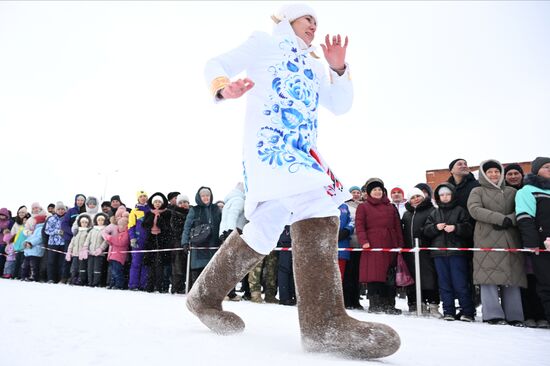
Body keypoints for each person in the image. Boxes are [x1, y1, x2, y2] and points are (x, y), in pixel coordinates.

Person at [186, 4, 399, 359]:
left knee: (263, 231)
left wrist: (338, 68)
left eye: (317, 21)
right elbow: (215, 64)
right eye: (307, 19)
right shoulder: (263, 43)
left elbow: (340, 104)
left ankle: (204, 297)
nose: (314, 26)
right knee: (320, 206)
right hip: (270, 149)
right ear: (287, 21)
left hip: (303, 153)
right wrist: (225, 88)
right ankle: (323, 325)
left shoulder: (315, 64)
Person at [468, 159, 526, 326]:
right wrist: (500, 219)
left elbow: (521, 209)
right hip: (487, 238)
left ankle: (515, 316)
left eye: (496, 171)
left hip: (510, 238)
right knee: (489, 276)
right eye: (490, 172)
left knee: (512, 277)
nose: (494, 174)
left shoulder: (511, 191)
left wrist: (511, 220)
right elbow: (474, 209)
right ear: (484, 174)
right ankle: (492, 315)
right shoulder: (477, 191)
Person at [424, 183, 475, 322]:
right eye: (442, 195)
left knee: (461, 283)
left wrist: (456, 228)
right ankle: (449, 311)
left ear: (452, 195)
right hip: (439, 254)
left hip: (457, 253)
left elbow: (468, 228)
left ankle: (467, 312)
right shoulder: (434, 212)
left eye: (447, 194)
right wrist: (435, 227)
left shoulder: (460, 210)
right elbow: (426, 231)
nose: (445, 197)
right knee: (444, 283)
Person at [356, 178, 403, 315]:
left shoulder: (390, 207)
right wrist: (364, 241)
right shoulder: (363, 207)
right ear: (369, 193)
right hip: (372, 244)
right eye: (374, 190)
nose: (377, 192)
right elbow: (360, 225)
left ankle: (389, 304)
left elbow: (397, 226)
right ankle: (375, 304)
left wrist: (400, 244)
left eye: (379, 190)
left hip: (390, 243)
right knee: (374, 274)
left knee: (389, 276)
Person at [516, 157, 550, 325]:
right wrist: (532, 243)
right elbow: (524, 217)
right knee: (546, 283)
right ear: (536, 170)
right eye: (546, 167)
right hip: (543, 246)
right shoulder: (527, 190)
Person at [401, 187, 440, 317]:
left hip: (425, 249)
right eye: (413, 197)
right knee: (413, 278)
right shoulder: (407, 214)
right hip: (410, 251)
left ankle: (433, 304)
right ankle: (418, 303)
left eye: (418, 196)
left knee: (429, 277)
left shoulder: (431, 210)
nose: (416, 199)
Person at [182, 187, 221, 290]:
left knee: (212, 271)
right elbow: (187, 227)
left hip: (213, 245)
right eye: (203, 196)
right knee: (198, 272)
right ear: (199, 197)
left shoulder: (216, 209)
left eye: (207, 195)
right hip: (198, 245)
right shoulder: (194, 210)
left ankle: (210, 294)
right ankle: (196, 293)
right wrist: (185, 242)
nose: (205, 198)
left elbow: (222, 225)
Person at [142, 193, 173, 293]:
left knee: (161, 265)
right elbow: (145, 225)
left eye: (159, 202)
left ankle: (159, 286)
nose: (157, 203)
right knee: (151, 265)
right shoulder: (148, 213)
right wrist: (151, 219)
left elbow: (167, 227)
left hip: (162, 240)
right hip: (151, 240)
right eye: (155, 202)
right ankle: (150, 286)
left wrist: (160, 221)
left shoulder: (167, 213)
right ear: (152, 203)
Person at [343, 186, 363, 309]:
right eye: (353, 192)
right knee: (348, 273)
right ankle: (347, 299)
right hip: (348, 243)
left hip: (360, 244)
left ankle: (356, 300)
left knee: (357, 274)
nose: (355, 194)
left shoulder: (363, 205)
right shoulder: (345, 206)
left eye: (358, 192)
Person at [128, 191, 150, 291]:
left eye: (144, 196)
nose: (143, 198)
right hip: (138, 239)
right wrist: (132, 237)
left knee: (146, 262)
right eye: (141, 196)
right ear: (138, 199)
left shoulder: (150, 209)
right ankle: (133, 284)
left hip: (148, 239)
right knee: (136, 262)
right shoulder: (134, 211)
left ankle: (144, 285)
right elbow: (131, 226)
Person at [169, 194, 190, 294]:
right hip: (178, 242)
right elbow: (175, 228)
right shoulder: (174, 213)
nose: (183, 205)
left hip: (190, 242)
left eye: (185, 202)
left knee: (189, 266)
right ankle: (177, 287)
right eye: (181, 203)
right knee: (178, 267)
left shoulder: (192, 213)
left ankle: (189, 286)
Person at [65, 214, 92, 285]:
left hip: (82, 254)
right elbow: (72, 242)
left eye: (86, 222)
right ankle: (73, 278)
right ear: (80, 223)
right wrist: (69, 251)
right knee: (74, 267)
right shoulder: (77, 232)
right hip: (75, 253)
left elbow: (88, 242)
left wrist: (85, 250)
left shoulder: (88, 232)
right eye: (83, 222)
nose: (84, 224)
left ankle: (81, 279)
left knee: (82, 268)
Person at [44, 202, 66, 283]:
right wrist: (57, 231)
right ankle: (51, 278)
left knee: (61, 262)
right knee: (51, 261)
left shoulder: (66, 218)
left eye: (62, 209)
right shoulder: (51, 218)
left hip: (63, 243)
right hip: (52, 243)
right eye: (59, 209)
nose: (61, 211)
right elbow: (47, 230)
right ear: (56, 210)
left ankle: (60, 278)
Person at [85, 213, 109, 287]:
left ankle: (96, 282)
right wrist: (85, 248)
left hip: (99, 253)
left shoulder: (105, 230)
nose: (100, 221)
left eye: (102, 220)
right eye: (99, 220)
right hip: (91, 252)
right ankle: (90, 281)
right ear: (96, 220)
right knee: (90, 268)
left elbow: (106, 241)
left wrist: (101, 249)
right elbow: (88, 240)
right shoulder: (92, 230)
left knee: (97, 268)